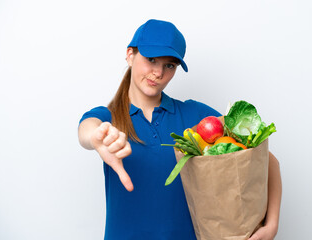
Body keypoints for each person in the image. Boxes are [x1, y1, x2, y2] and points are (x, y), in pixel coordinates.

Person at [78, 19, 282, 240]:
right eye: (151, 59)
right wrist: (97, 138)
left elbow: (266, 160)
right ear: (130, 55)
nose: (158, 72)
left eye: (169, 65)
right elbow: (87, 131)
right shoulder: (107, 118)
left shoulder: (195, 116)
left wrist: (271, 225)